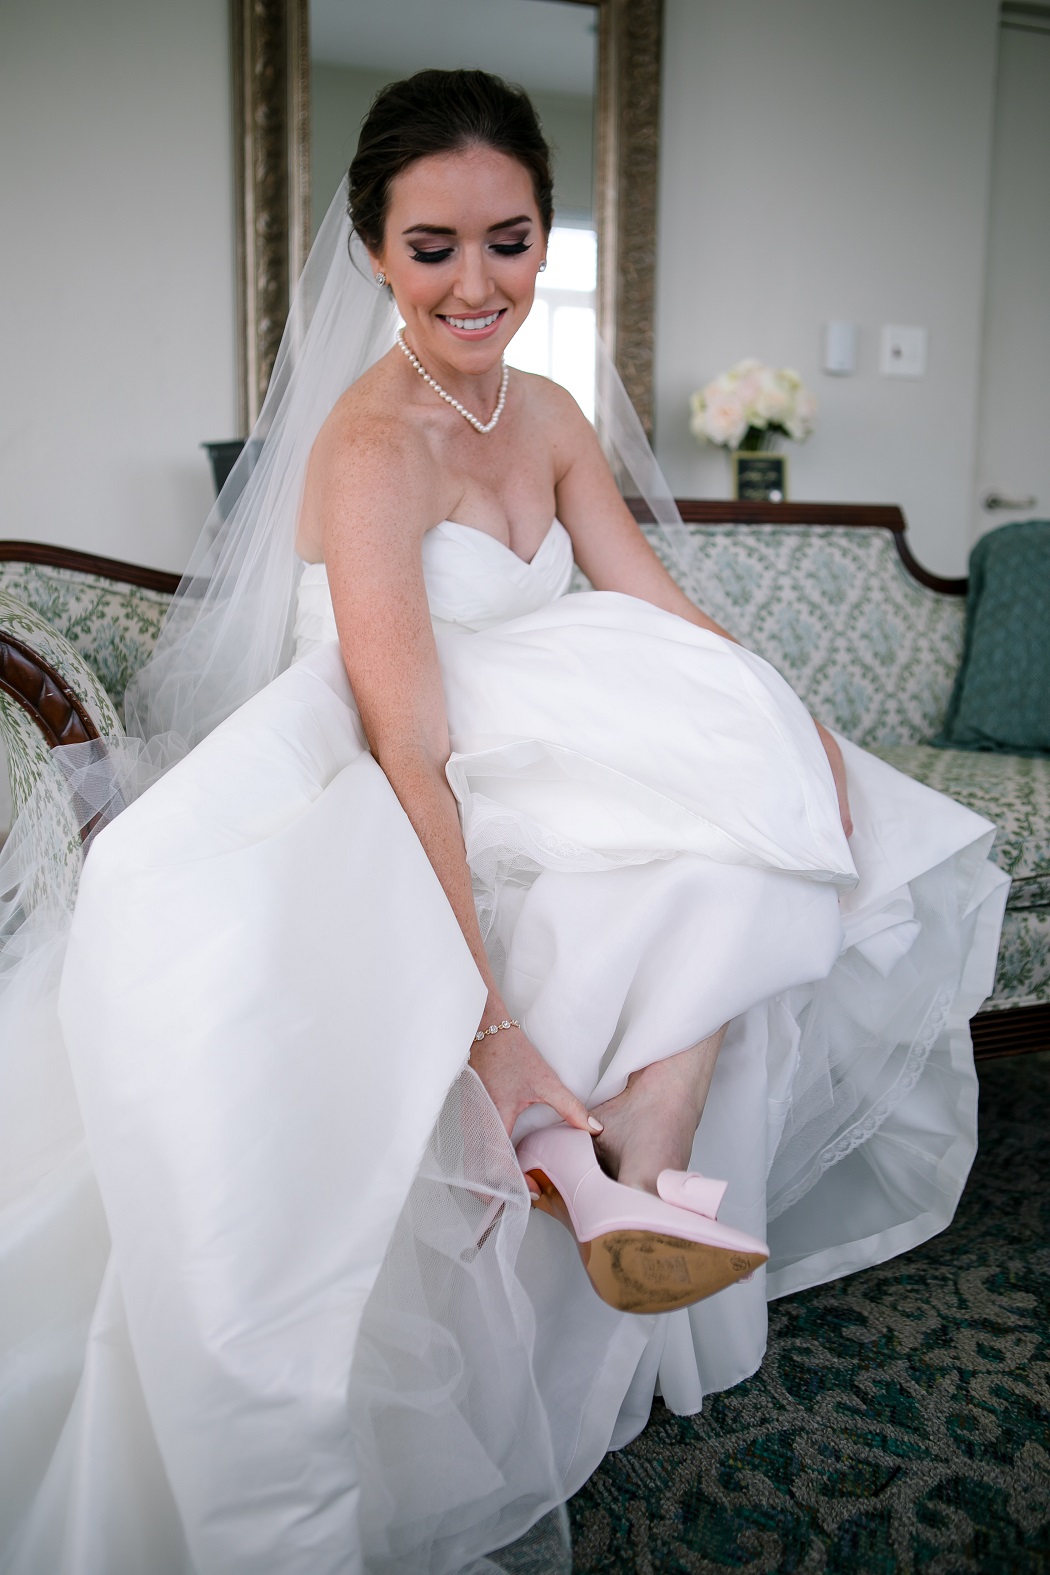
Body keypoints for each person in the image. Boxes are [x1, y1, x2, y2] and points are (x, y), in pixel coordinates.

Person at [0, 69, 1007, 1575]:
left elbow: (649, 598)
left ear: (547, 234)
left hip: (556, 720)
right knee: (704, 855)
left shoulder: (540, 407)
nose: (478, 284)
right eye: (433, 248)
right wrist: (488, 1026)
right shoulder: (370, 446)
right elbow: (410, 736)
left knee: (783, 804)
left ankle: (643, 1149)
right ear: (373, 258)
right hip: (412, 747)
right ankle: (610, 1150)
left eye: (511, 239)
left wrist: (804, 732)